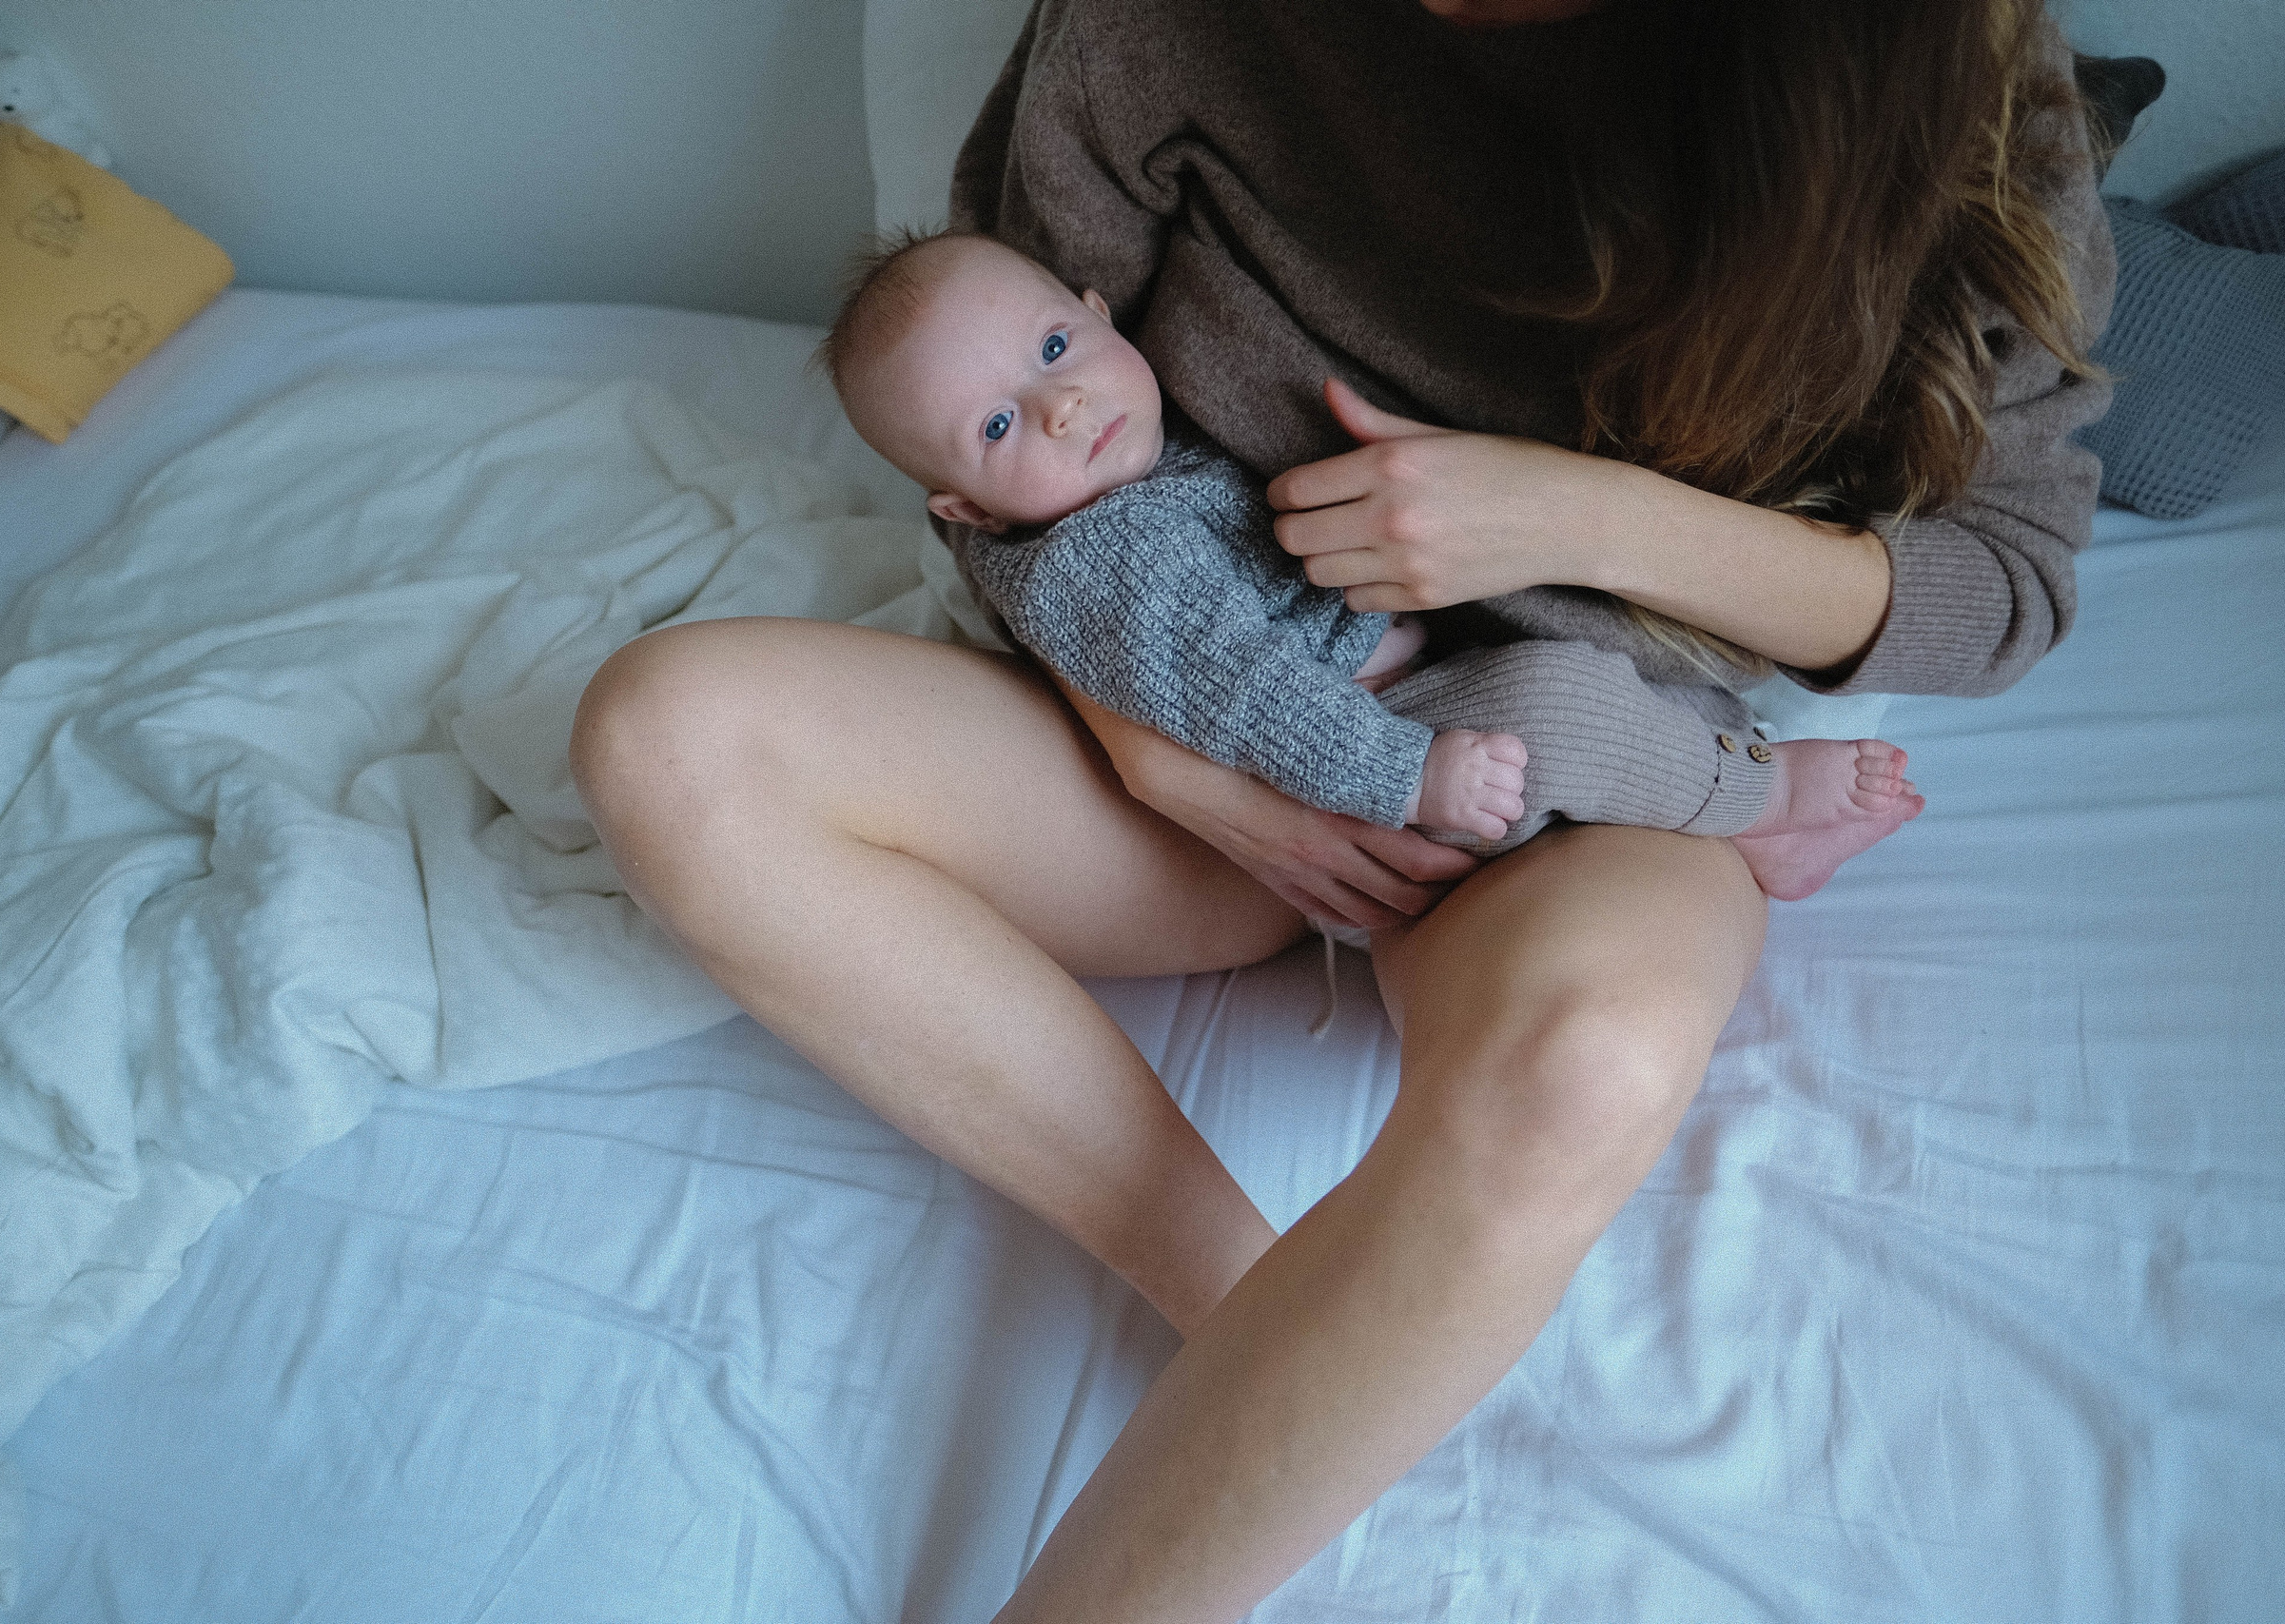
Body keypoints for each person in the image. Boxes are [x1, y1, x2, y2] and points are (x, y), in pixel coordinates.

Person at [569, 0, 2115, 1615]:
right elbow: (991, 408)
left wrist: (1577, 520)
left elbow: (2003, 587)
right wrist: (1159, 755)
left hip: (1560, 769)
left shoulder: (1952, 85)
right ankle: (1255, 1304)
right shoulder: (1155, 32)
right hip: (1186, 743)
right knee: (670, 742)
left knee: (1582, 1063)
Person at [820, 226, 1925, 891]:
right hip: (1359, 750)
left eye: (1055, 348)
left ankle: (1742, 830)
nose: (1059, 405)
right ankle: (1764, 798)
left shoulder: (1142, 452)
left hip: (1401, 688)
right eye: (998, 426)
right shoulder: (1103, 561)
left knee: (1606, 689)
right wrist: (1409, 776)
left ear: (1098, 311)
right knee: (1557, 707)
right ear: (966, 511)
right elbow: (1248, 697)